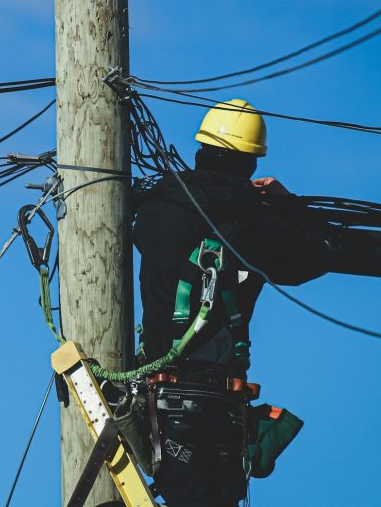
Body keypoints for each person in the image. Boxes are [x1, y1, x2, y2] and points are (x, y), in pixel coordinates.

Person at [132, 99, 331, 507]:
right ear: (251, 165)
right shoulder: (258, 222)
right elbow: (322, 251)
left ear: (201, 150)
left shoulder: (155, 206)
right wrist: (286, 201)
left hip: (160, 401)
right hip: (219, 406)